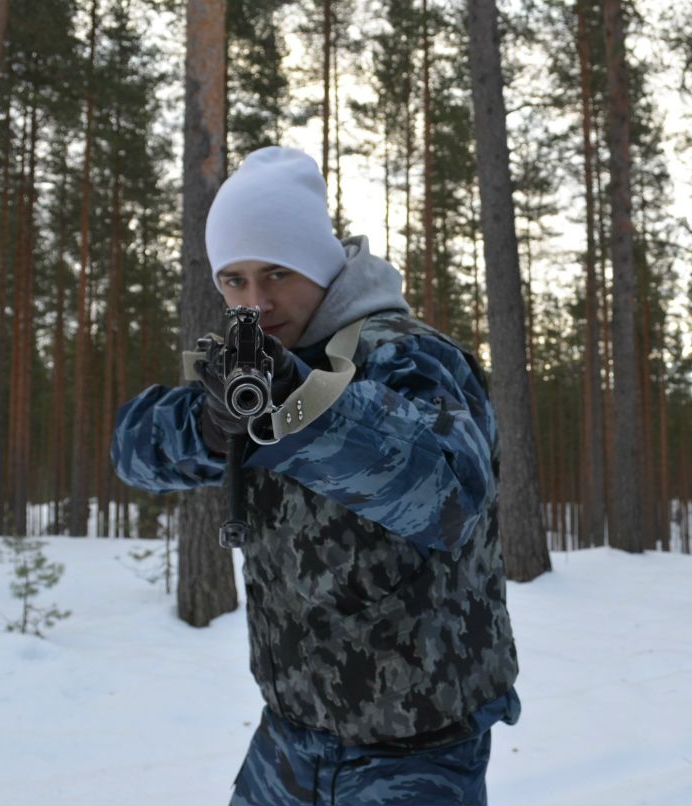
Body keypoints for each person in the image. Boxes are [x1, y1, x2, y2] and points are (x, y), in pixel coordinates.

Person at [111, 146, 519, 806]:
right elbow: (132, 452)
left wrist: (303, 409)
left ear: (322, 266)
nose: (256, 301)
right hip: (291, 734)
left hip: (416, 747)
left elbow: (448, 494)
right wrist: (210, 428)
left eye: (277, 272)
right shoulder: (255, 371)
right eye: (233, 280)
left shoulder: (409, 355)